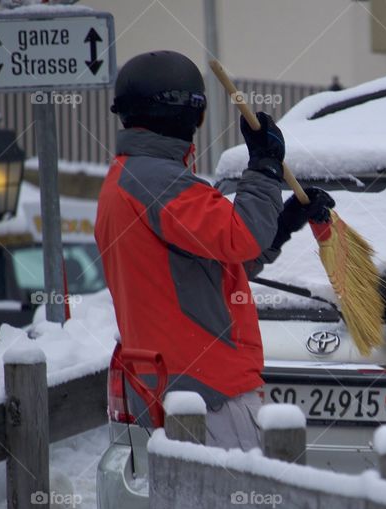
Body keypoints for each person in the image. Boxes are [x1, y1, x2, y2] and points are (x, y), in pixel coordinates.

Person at [95, 50, 334, 450]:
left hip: (170, 384)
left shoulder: (128, 178)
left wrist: (283, 223)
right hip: (209, 393)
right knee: (245, 508)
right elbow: (242, 238)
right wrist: (264, 167)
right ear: (190, 114)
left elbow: (223, 256)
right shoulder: (160, 181)